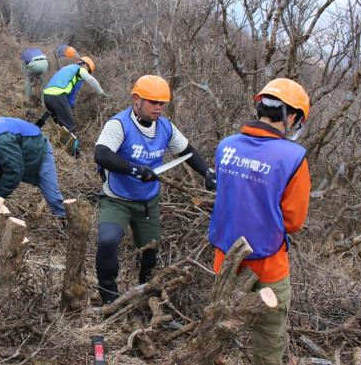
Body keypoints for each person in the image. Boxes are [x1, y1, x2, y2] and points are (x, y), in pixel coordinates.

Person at [208, 78, 311, 365]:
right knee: (269, 337)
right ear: (291, 117)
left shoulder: (226, 146)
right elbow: (293, 221)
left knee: (216, 330)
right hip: (268, 265)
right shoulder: (294, 158)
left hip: (225, 259)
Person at [94, 75, 217, 304]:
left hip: (148, 201)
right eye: (153, 102)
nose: (158, 108)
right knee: (108, 241)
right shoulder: (119, 124)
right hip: (117, 199)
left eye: (162, 103)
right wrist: (134, 169)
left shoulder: (165, 128)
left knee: (150, 251)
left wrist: (207, 173)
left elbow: (187, 151)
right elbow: (101, 153)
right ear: (136, 100)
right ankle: (109, 298)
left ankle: (144, 294)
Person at [41, 56, 107, 136]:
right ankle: (73, 148)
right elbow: (91, 80)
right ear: (85, 65)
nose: (87, 73)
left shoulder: (67, 68)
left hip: (46, 96)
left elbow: (69, 92)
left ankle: (57, 144)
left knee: (59, 124)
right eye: (88, 71)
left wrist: (69, 107)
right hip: (57, 96)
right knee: (70, 125)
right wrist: (102, 93)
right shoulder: (80, 69)